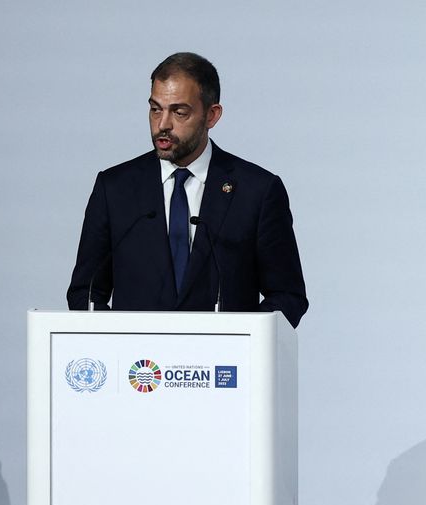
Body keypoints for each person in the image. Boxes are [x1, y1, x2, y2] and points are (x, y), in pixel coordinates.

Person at [67, 52, 308, 327]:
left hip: (224, 365)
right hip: (139, 367)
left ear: (212, 115)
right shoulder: (115, 188)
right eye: (155, 109)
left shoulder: (257, 191)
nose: (162, 124)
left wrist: (245, 341)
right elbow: (85, 292)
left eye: (179, 112)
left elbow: (287, 295)